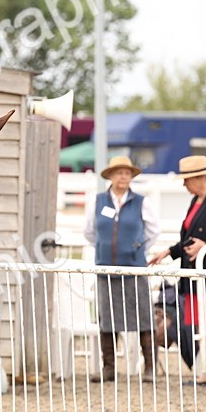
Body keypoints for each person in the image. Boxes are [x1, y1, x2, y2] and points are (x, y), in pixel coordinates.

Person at [148, 155, 206, 388]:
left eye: (186, 179)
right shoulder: (197, 200)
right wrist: (169, 251)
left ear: (200, 178)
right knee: (204, 324)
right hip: (196, 273)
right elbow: (189, 238)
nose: (184, 185)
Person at [83, 156, 160, 382]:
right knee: (106, 317)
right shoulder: (98, 201)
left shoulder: (141, 202)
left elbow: (153, 231)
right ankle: (109, 367)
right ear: (111, 176)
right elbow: (89, 231)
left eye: (127, 173)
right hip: (106, 268)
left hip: (135, 267)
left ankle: (150, 367)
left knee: (144, 316)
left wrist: (137, 247)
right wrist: (103, 246)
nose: (123, 176)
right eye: (119, 172)